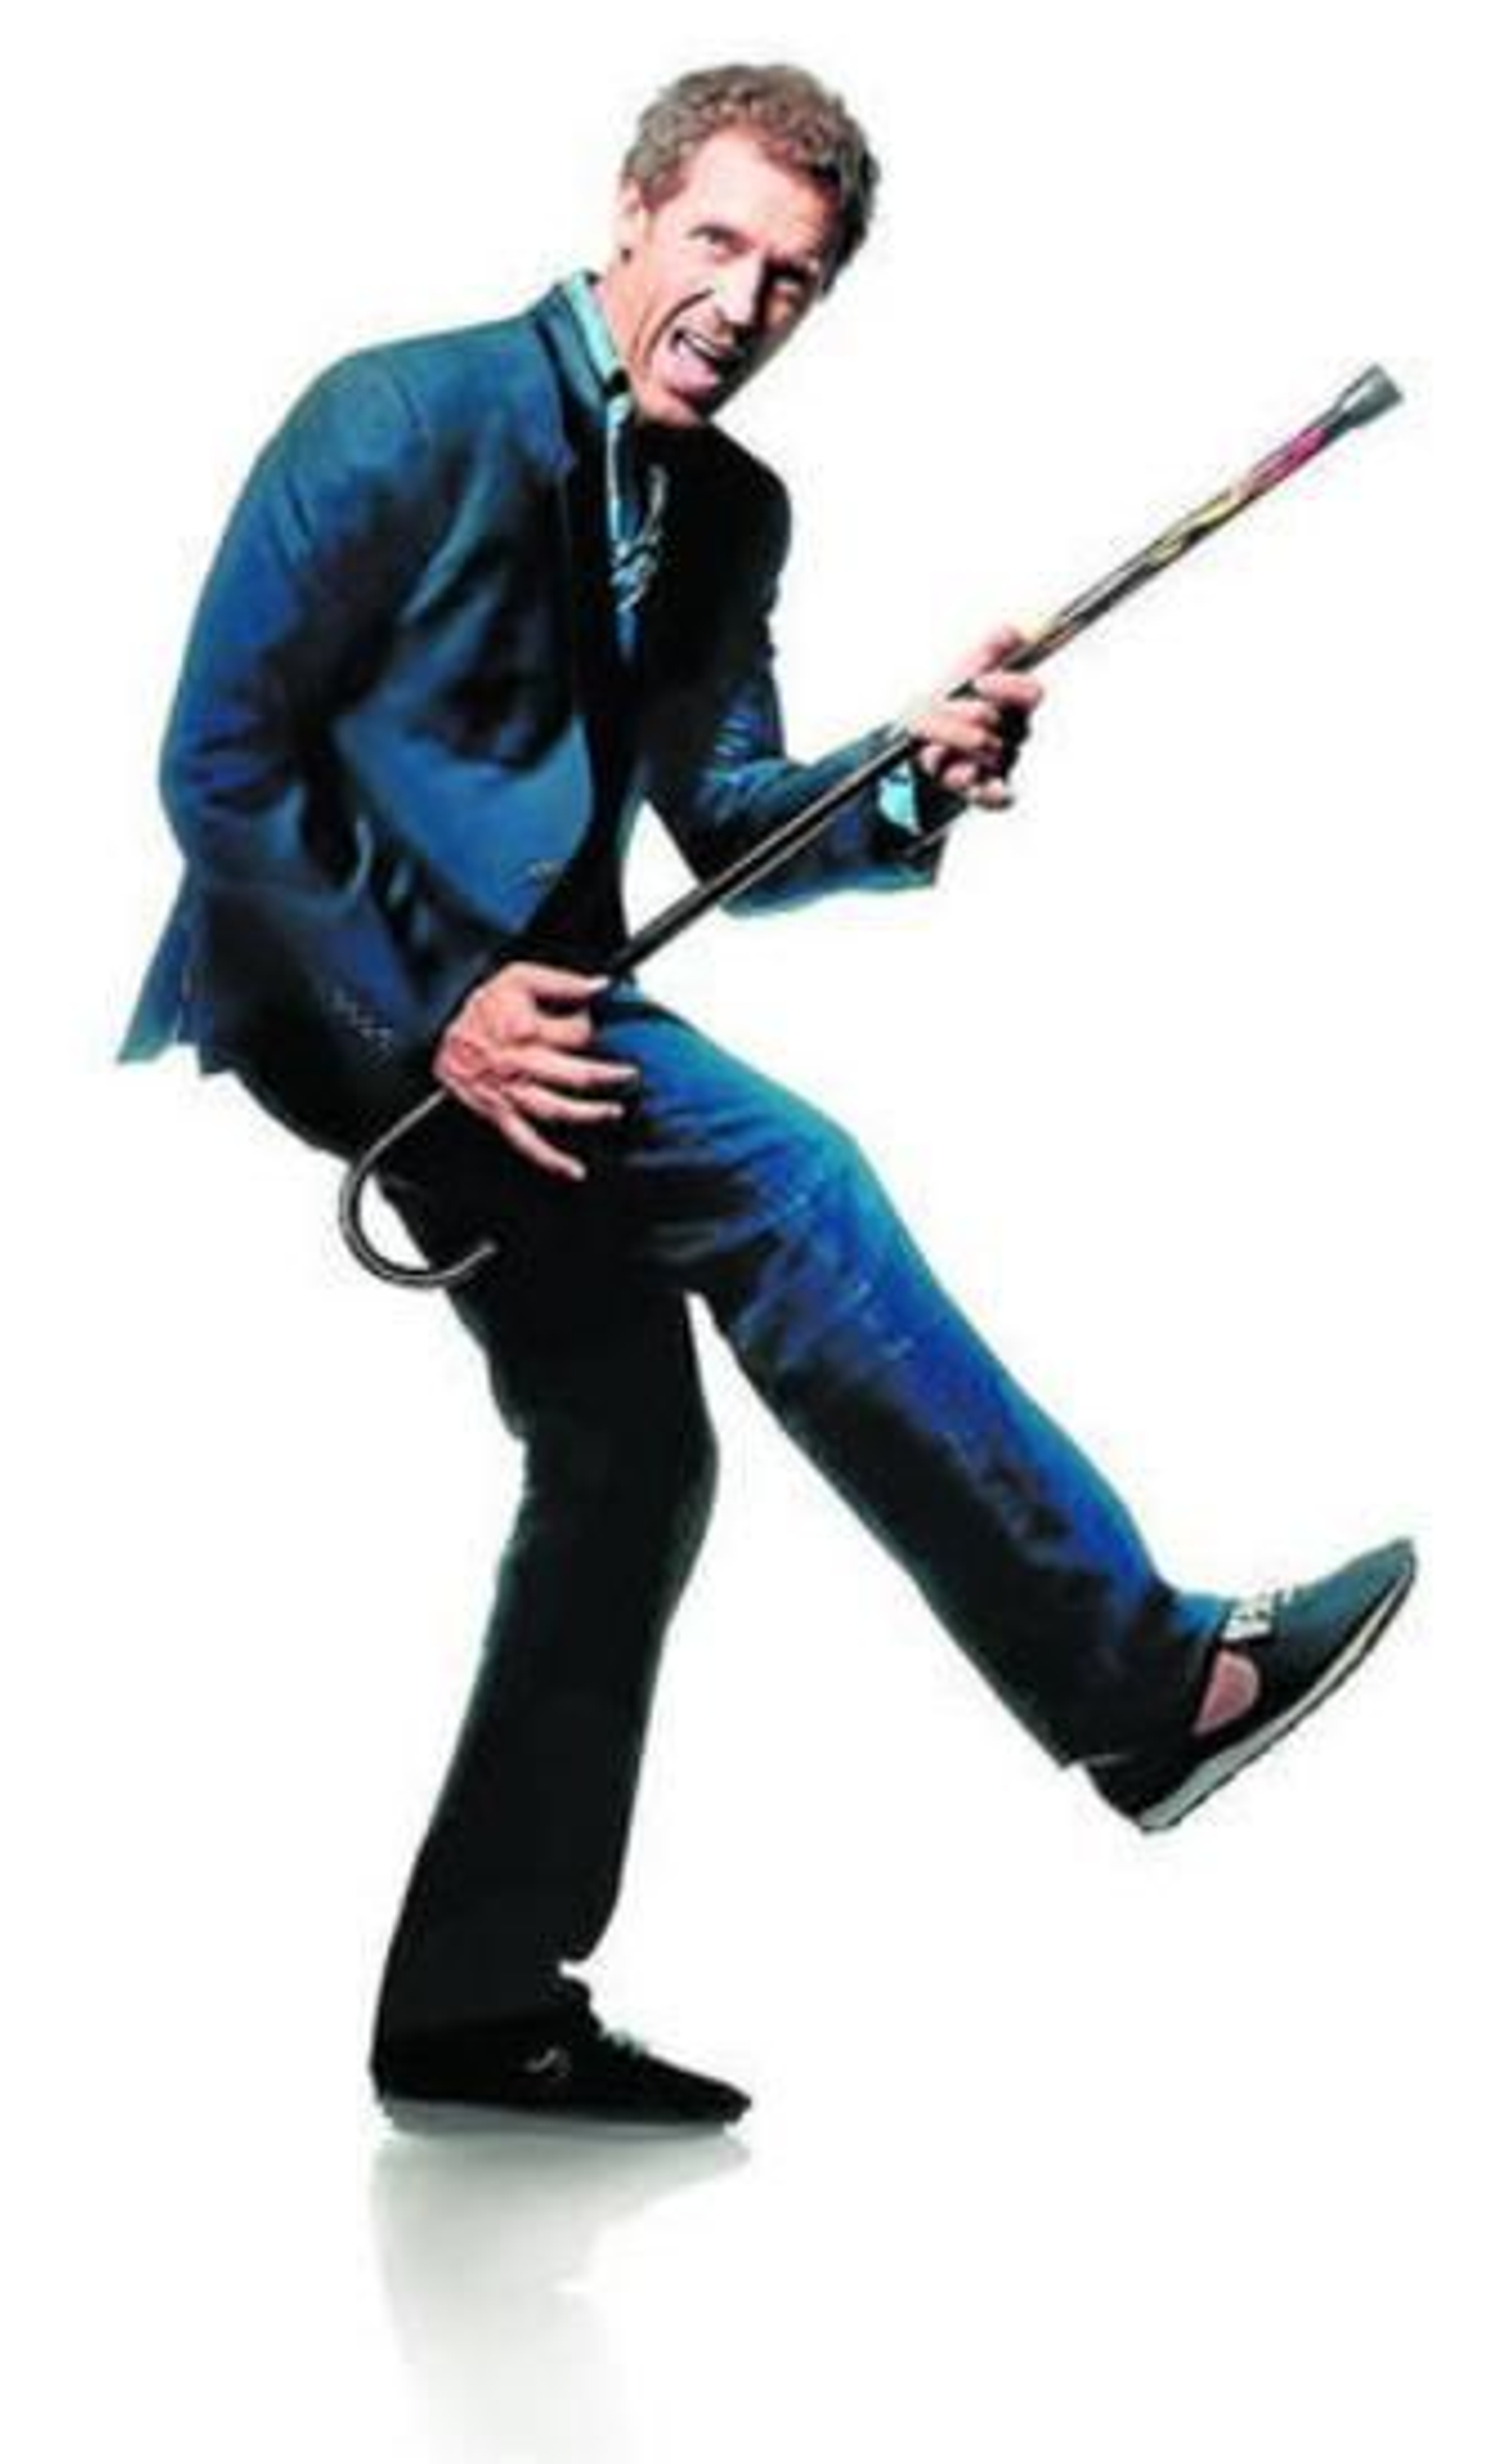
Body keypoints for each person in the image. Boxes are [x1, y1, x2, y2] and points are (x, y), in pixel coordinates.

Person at [121, 62, 1416, 2129]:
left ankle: (474, 2007)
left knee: (626, 1452)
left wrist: (910, 777)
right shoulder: (399, 413)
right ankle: (1142, 1686)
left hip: (534, 1005)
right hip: (339, 991)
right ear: (631, 213)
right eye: (715, 242)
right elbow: (219, 761)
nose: (740, 303)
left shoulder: (732, 511)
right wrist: (435, 1012)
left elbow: (726, 823)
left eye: (791, 278)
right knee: (792, 1186)